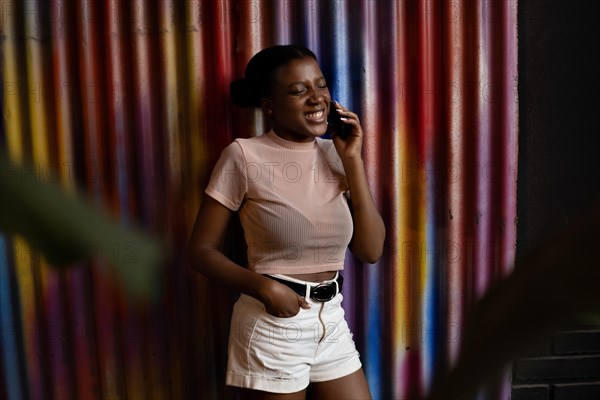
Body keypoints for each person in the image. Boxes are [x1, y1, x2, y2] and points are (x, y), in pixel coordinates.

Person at [188, 45, 385, 400]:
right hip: (272, 323)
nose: (316, 99)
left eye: (321, 86)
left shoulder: (336, 154)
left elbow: (371, 250)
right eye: (298, 91)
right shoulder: (244, 156)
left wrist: (352, 159)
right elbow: (201, 251)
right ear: (269, 106)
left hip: (331, 320)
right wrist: (264, 288)